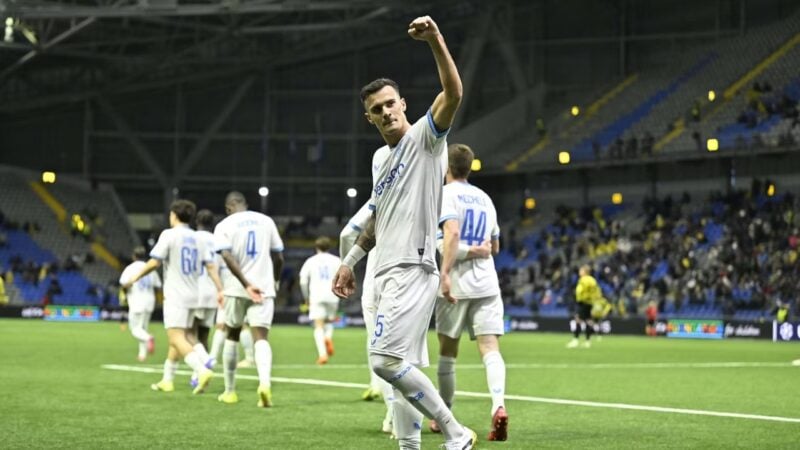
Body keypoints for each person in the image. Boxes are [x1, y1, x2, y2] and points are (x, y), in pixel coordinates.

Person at [333, 16, 476, 450]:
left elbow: (453, 92)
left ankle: (455, 432)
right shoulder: (381, 160)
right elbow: (377, 218)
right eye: (377, 109)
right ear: (369, 118)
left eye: (390, 103)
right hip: (385, 269)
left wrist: (435, 39)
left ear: (403, 104)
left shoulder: (425, 140)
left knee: (383, 361)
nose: (386, 112)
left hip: (412, 267)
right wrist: (350, 262)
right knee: (401, 367)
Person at [430, 143, 508, 441]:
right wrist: (478, 249)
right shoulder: (485, 198)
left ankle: (444, 415)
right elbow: (495, 246)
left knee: (448, 351)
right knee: (490, 348)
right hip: (486, 282)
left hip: (456, 283)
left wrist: (446, 271)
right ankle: (498, 406)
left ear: (446, 167)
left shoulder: (445, 194)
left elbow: (449, 235)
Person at [121, 200, 223, 394]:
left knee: (176, 337)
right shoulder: (198, 238)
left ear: (174, 215)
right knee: (183, 336)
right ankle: (167, 380)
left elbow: (155, 262)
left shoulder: (169, 235)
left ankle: (202, 369)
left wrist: (136, 276)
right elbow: (211, 267)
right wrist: (220, 290)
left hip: (176, 295)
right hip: (194, 295)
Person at [214, 191, 284, 407]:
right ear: (245, 204)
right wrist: (275, 281)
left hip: (235, 289)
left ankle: (230, 392)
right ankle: (264, 384)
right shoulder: (266, 221)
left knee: (232, 334)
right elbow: (279, 257)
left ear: (228, 207)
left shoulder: (224, 225)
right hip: (263, 288)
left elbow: (227, 256)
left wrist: (245, 284)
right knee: (261, 337)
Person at [190, 209, 224, 387]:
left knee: (189, 333)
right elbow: (223, 267)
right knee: (204, 335)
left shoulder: (191, 238)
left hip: (194, 290)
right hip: (213, 291)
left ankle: (205, 362)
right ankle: (198, 376)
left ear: (197, 222)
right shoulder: (218, 241)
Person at [299, 236, 342, 365]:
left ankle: (323, 355)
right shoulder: (337, 260)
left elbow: (303, 280)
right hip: (332, 295)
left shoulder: (311, 261)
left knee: (318, 325)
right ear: (329, 247)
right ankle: (327, 337)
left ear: (316, 247)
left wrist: (306, 297)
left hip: (316, 295)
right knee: (329, 321)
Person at [119, 246, 162, 362]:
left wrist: (127, 288)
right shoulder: (150, 267)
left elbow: (123, 283)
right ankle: (142, 354)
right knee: (143, 328)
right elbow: (158, 285)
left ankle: (149, 338)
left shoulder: (130, 268)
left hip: (136, 301)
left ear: (134, 256)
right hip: (149, 301)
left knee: (135, 329)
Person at [567, 265, 600, 348]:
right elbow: (597, 292)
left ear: (585, 271)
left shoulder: (583, 280)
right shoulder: (593, 280)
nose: (579, 272)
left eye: (581, 271)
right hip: (590, 302)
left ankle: (575, 340)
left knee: (578, 319)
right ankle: (588, 341)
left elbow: (580, 291)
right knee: (588, 320)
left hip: (583, 302)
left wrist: (579, 297)